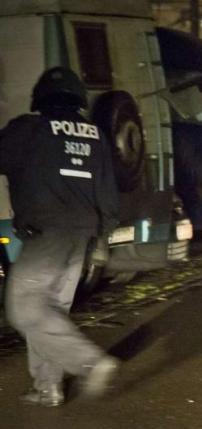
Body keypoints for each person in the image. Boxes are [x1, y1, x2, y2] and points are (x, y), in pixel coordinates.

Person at [0, 67, 120, 406]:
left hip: (46, 238)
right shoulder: (96, 135)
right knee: (50, 310)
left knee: (24, 309)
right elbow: (109, 194)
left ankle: (91, 362)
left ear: (40, 98)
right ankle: (47, 387)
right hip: (82, 238)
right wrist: (102, 241)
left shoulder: (28, 130)